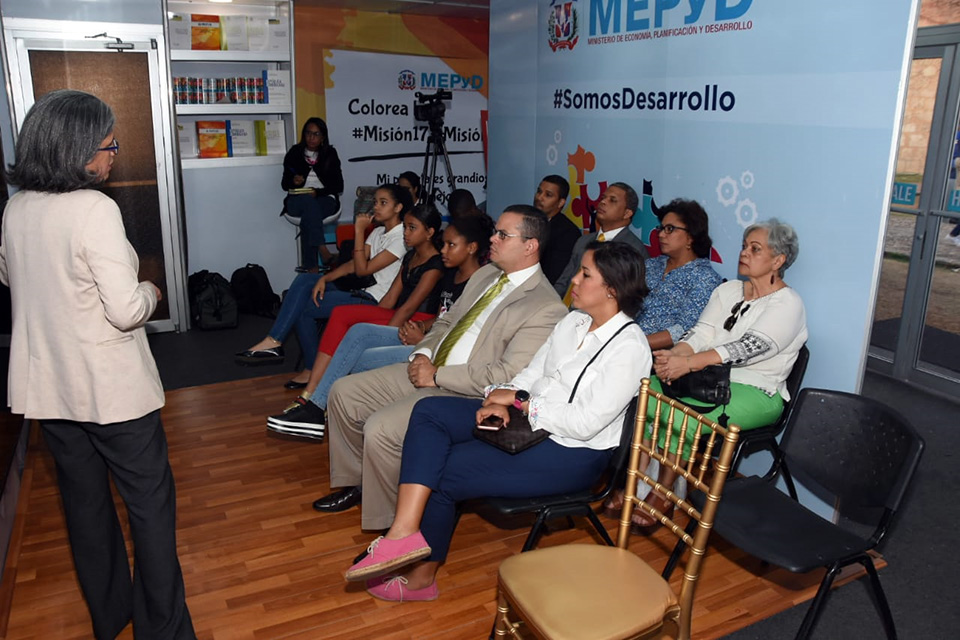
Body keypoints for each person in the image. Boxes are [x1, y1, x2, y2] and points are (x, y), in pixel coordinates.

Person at [341, 242, 651, 601]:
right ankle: (404, 531)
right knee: (429, 411)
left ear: (612, 289)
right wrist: (501, 397)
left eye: (585, 274)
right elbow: (533, 373)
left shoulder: (630, 348)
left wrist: (521, 403)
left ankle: (422, 580)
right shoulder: (573, 321)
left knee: (444, 472)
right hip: (533, 423)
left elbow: (584, 423)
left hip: (573, 453)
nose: (574, 281)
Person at [0, 90, 195, 639]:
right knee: (150, 509)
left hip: (50, 388)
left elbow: (11, 276)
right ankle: (164, 631)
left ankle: (110, 618)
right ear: (79, 149)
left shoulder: (17, 206)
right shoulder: (94, 208)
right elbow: (126, 310)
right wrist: (152, 290)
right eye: (109, 145)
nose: (114, 155)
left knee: (85, 508)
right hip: (113, 392)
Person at [316, 206, 569, 531]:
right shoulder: (486, 274)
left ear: (530, 246)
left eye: (503, 235)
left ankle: (392, 526)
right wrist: (422, 353)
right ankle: (361, 483)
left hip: (465, 391)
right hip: (431, 367)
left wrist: (436, 376)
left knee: (381, 428)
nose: (492, 239)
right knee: (343, 393)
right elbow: (447, 321)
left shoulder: (546, 306)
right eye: (495, 231)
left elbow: (506, 376)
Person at [634, 218, 807, 533]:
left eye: (755, 248)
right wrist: (676, 355)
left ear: (778, 260)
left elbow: (749, 348)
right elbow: (701, 333)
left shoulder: (788, 303)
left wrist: (690, 364)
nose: (744, 253)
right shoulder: (727, 290)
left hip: (757, 391)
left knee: (683, 413)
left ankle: (665, 492)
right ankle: (638, 483)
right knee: (650, 390)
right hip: (710, 378)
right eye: (744, 246)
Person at [266, 214, 495, 439]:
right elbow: (441, 317)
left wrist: (424, 338)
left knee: (361, 357)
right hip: (426, 336)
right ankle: (318, 407)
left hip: (437, 350)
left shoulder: (478, 283)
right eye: (443, 244)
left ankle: (325, 408)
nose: (443, 250)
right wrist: (421, 327)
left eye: (451, 245)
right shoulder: (452, 274)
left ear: (472, 248)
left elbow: (461, 332)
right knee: (358, 332)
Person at [271, 203, 444, 403]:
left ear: (429, 232)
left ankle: (315, 391)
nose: (406, 232)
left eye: (412, 228)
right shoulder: (411, 256)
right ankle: (313, 388)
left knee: (349, 321)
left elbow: (409, 307)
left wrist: (381, 333)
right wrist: (369, 316)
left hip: (417, 320)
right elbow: (390, 298)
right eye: (405, 227)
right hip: (399, 313)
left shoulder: (435, 264)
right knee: (342, 314)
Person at [235, 183, 410, 365]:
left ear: (398, 207)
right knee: (306, 279)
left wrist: (358, 231)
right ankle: (274, 341)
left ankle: (309, 366)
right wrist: (325, 278)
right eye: (375, 202)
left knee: (303, 308)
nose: (376, 207)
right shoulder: (379, 231)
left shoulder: (401, 238)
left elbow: (362, 269)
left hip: (373, 298)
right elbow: (353, 265)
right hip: (359, 288)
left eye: (383, 203)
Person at [637, 198, 723, 349]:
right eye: (661, 228)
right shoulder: (651, 265)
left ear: (690, 237)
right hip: (625, 340)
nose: (661, 235)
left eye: (670, 229)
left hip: (661, 355)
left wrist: (634, 344)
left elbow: (683, 330)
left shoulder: (705, 278)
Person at [553, 181, 650, 299]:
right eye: (603, 198)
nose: (603, 202)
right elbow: (564, 281)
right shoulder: (583, 241)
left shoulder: (633, 250)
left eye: (612, 200)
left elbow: (630, 297)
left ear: (627, 213)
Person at [282, 117, 343, 271]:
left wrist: (318, 192)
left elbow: (338, 185)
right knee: (308, 203)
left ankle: (311, 268)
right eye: (308, 133)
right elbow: (284, 184)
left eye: (316, 134)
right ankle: (322, 248)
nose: (311, 137)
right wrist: (294, 182)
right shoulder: (295, 153)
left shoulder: (330, 154)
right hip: (297, 199)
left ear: (323, 137)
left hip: (324, 198)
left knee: (310, 214)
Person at [536, 174, 581, 285]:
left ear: (561, 203)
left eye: (548, 195)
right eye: (539, 191)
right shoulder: (525, 220)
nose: (540, 197)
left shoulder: (568, 233)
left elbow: (554, 275)